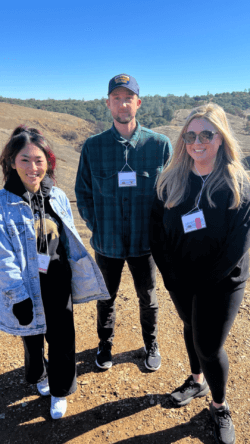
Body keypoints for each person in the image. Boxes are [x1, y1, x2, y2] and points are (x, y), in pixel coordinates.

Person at [150, 103, 250, 444]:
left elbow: (236, 247)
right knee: (191, 326)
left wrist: (201, 284)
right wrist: (169, 275)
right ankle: (196, 381)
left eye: (206, 134)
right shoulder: (171, 179)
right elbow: (156, 233)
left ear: (220, 138)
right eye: (190, 135)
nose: (197, 141)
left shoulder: (238, 184)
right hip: (180, 280)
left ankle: (219, 406)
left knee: (208, 344)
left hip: (223, 282)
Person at [0, 126, 109, 419]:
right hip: (26, 286)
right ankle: (41, 375)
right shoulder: (2, 204)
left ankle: (60, 390)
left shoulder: (57, 195)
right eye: (25, 160)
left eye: (39, 160)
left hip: (58, 280)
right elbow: (3, 255)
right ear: (11, 161)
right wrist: (17, 295)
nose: (33, 167)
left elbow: (69, 236)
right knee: (33, 339)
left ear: (48, 162)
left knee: (62, 338)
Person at [75, 74, 172, 371]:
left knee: (148, 297)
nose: (122, 103)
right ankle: (105, 346)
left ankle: (150, 342)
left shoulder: (160, 145)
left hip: (146, 243)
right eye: (116, 98)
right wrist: (99, 227)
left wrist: (161, 233)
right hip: (108, 243)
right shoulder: (94, 147)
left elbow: (170, 194)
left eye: (128, 97)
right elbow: (83, 192)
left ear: (138, 103)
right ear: (108, 104)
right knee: (106, 298)